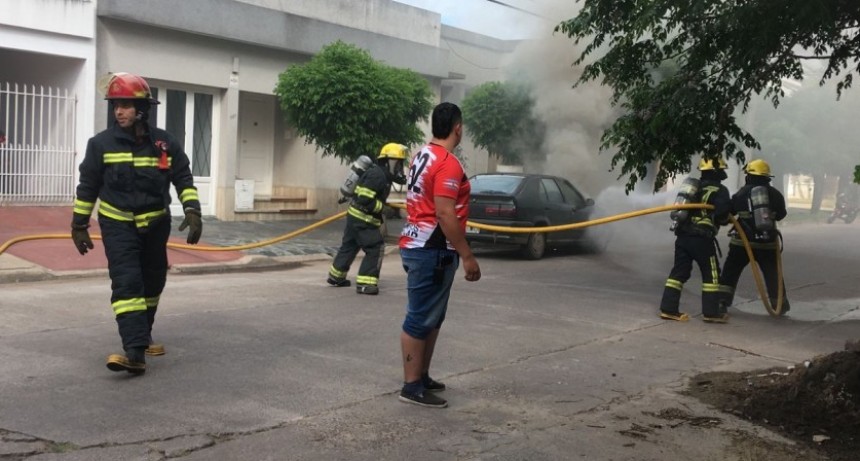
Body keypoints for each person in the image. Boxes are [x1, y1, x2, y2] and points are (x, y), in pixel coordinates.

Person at [71, 72, 202, 375]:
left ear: (142, 109)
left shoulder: (164, 144)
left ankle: (143, 334)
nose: (119, 111)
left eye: (127, 105)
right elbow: (88, 186)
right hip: (118, 224)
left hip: (156, 224)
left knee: (153, 282)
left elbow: (183, 177)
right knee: (127, 282)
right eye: (116, 105)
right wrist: (79, 224)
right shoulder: (100, 145)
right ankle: (134, 352)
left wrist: (193, 210)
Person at [398, 102, 481, 408]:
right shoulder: (447, 162)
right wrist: (468, 256)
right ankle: (411, 385)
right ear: (457, 127)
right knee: (420, 319)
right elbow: (445, 213)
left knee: (432, 318)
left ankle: (421, 375)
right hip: (431, 249)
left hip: (420, 245)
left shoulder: (422, 154)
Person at [326, 143, 407, 294]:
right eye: (397, 163)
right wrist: (382, 208)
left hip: (355, 216)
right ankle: (365, 283)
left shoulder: (382, 175)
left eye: (400, 164)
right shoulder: (378, 175)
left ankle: (336, 276)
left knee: (350, 246)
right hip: (363, 219)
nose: (398, 168)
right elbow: (364, 198)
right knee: (375, 247)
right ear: (386, 161)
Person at [659, 157, 732, 323]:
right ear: (717, 172)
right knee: (711, 275)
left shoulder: (693, 187)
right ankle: (711, 313)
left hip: (683, 236)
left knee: (678, 272)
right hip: (702, 238)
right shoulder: (720, 190)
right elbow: (722, 215)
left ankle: (668, 309)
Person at [718, 159, 789, 314]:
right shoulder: (775, 194)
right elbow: (782, 214)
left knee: (731, 271)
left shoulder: (741, 193)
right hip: (767, 243)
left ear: (749, 176)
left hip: (742, 243)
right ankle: (780, 305)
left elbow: (727, 214)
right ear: (767, 177)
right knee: (773, 274)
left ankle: (722, 301)